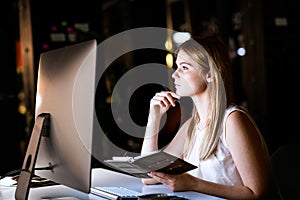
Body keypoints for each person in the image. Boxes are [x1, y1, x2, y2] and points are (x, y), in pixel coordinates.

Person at [140, 35, 271, 199]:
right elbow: (148, 175)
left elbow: (257, 192)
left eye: (185, 68)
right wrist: (154, 118)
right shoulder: (192, 126)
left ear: (210, 74)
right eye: (177, 66)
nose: (175, 75)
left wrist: (193, 183)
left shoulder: (232, 120)